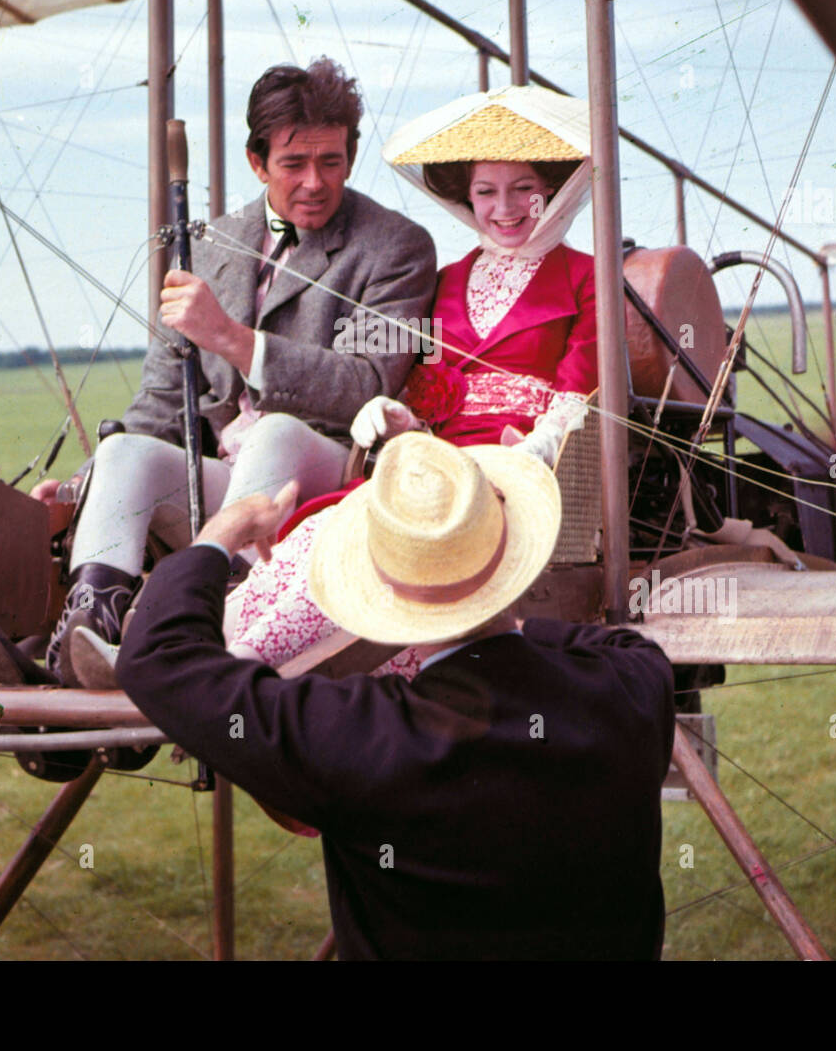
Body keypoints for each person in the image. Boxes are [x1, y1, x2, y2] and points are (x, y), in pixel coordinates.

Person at [117, 432, 675, 961]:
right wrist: (521, 625)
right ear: (512, 556)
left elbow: (159, 658)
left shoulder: (359, 737)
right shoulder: (636, 686)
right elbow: (619, 643)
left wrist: (225, 530)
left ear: (379, 588)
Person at [0, 57, 437, 689]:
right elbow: (162, 400)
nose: (315, 182)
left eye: (331, 161)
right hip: (233, 490)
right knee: (126, 452)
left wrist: (234, 340)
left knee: (275, 433)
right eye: (293, 164)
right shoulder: (213, 245)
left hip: (330, 486)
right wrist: (79, 489)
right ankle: (80, 653)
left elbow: (367, 385)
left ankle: (209, 646)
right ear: (256, 162)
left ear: (351, 158)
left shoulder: (395, 247)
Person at [122, 84, 599, 680]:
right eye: (485, 191)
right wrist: (402, 420)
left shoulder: (587, 278)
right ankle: (212, 648)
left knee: (380, 548)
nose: (504, 208)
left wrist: (531, 454)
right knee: (323, 537)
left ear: (552, 191)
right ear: (466, 197)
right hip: (431, 472)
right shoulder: (450, 281)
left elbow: (580, 399)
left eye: (524, 190)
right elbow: (424, 389)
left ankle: (227, 668)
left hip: (521, 476)